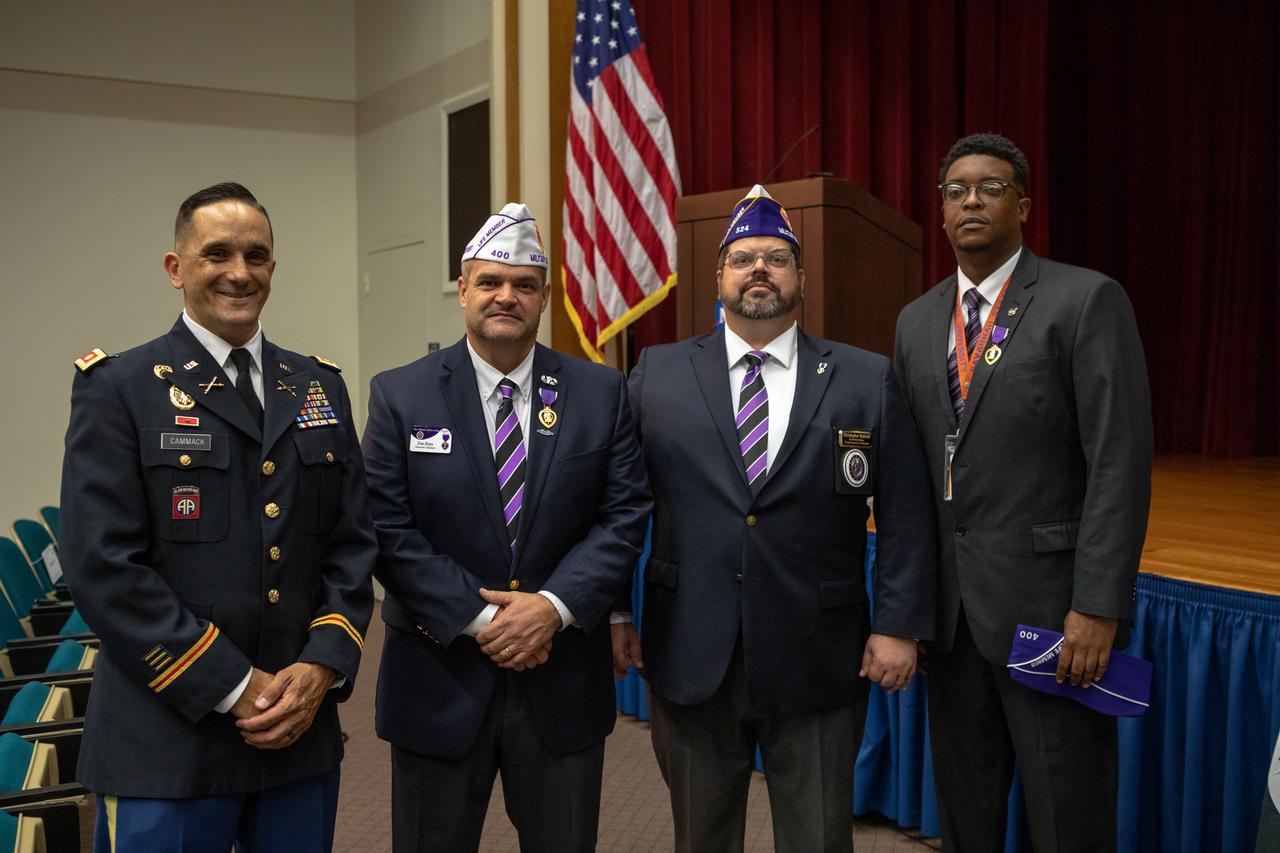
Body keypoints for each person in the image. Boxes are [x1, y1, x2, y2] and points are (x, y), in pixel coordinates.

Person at [59, 182, 377, 851]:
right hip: (168, 741)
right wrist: (233, 684)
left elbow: (352, 544)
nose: (240, 272)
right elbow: (103, 567)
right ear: (177, 268)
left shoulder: (318, 386)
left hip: (298, 733)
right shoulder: (120, 388)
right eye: (218, 254)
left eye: (257, 255)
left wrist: (322, 664)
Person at [621, 185, 937, 853]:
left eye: (775, 258)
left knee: (820, 839)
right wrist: (617, 612)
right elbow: (617, 505)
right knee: (700, 839)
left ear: (800, 276)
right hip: (690, 648)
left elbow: (906, 515)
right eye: (742, 258)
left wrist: (898, 624)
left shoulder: (863, 377)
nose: (758, 269)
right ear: (718, 277)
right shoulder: (658, 373)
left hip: (820, 653)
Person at [361, 202, 651, 853]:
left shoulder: (600, 392)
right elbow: (385, 526)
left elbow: (624, 514)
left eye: (523, 285)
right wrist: (485, 618)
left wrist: (552, 606)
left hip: (562, 679)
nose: (505, 296)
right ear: (461, 288)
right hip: (437, 675)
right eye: (489, 281)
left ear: (544, 296)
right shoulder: (400, 394)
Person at [893, 132, 1154, 852]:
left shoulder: (1085, 299)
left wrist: (1097, 606)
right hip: (951, 627)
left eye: (990, 186)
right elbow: (913, 481)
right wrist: (908, 607)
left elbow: (1119, 464)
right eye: (955, 190)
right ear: (941, 211)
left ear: (1025, 206)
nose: (970, 199)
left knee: (1067, 821)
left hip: (1055, 622)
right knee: (966, 822)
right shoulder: (915, 323)